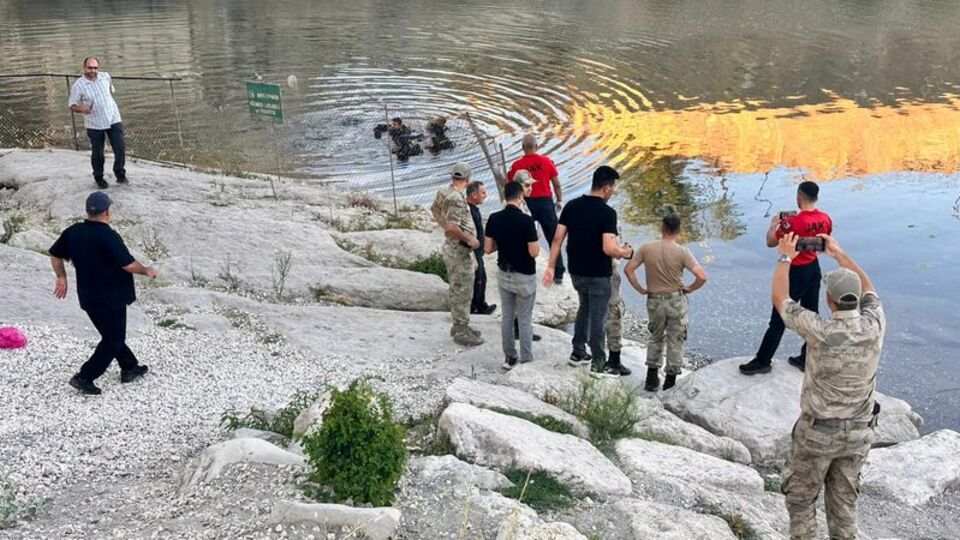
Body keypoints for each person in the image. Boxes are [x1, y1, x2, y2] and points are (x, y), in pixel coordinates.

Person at [773, 232, 885, 540]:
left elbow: (781, 299)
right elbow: (870, 289)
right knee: (844, 503)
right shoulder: (874, 325)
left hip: (818, 433)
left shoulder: (820, 330)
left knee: (801, 500)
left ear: (829, 300)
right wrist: (838, 253)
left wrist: (784, 257)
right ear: (856, 298)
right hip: (859, 432)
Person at [48, 192, 157, 395]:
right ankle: (85, 377)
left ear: (88, 211)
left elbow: (54, 254)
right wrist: (146, 270)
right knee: (113, 339)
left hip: (88, 296)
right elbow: (127, 264)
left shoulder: (73, 231)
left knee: (110, 335)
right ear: (107, 211)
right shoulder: (108, 236)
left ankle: (130, 367)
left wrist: (61, 277)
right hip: (112, 297)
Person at [544, 166, 633, 376]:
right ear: (606, 188)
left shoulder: (571, 206)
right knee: (598, 318)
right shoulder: (608, 213)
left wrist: (551, 266)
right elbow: (608, 248)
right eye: (613, 188)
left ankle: (578, 351)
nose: (613, 192)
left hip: (576, 271)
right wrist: (625, 252)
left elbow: (557, 239)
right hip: (598, 274)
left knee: (584, 307)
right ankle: (598, 363)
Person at [741, 181, 832, 375]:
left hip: (794, 270)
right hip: (813, 268)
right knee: (812, 315)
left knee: (779, 317)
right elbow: (823, 243)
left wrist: (774, 225)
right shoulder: (825, 218)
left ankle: (763, 360)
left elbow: (770, 242)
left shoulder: (791, 223)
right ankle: (807, 358)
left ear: (798, 198)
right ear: (816, 198)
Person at [623, 213, 708, 390]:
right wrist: (690, 288)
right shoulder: (682, 252)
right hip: (675, 300)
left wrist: (640, 289)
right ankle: (670, 382)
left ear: (662, 228)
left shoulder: (646, 248)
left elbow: (628, 270)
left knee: (655, 337)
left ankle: (651, 378)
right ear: (679, 230)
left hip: (654, 299)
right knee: (675, 339)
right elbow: (702, 276)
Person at [485, 181, 540, 370]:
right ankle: (526, 358)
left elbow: (488, 248)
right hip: (524, 275)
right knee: (524, 318)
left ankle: (509, 357)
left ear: (504, 197)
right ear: (520, 197)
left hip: (504, 273)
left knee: (507, 316)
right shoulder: (526, 221)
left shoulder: (494, 218)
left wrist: (504, 242)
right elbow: (534, 252)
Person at [430, 163, 483, 346]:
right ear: (468, 179)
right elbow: (453, 228)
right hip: (459, 250)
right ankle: (461, 330)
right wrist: (469, 239)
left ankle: (460, 324)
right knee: (463, 290)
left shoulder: (444, 192)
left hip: (454, 248)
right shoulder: (457, 199)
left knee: (457, 287)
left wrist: (445, 226)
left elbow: (435, 210)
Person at [508, 134, 565, 283]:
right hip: (546, 204)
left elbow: (511, 185)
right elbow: (557, 184)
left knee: (525, 236)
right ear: (537, 146)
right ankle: (558, 273)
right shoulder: (546, 161)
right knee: (553, 238)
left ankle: (525, 267)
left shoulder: (516, 165)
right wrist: (559, 200)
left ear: (522, 147)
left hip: (527, 203)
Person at [68, 57, 127, 188]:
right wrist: (82, 109)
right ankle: (99, 177)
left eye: (95, 68)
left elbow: (110, 93)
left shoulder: (105, 77)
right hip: (94, 122)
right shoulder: (78, 85)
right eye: (90, 68)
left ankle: (120, 173)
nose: (92, 71)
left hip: (113, 117)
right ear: (84, 68)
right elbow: (72, 105)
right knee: (98, 152)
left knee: (120, 147)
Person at [466, 180, 496, 315]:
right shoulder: (469, 211)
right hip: (474, 252)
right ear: (473, 195)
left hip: (479, 252)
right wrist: (472, 254)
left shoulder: (474, 210)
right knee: (477, 280)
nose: (485, 195)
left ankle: (481, 305)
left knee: (482, 279)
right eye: (483, 193)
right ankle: (473, 308)